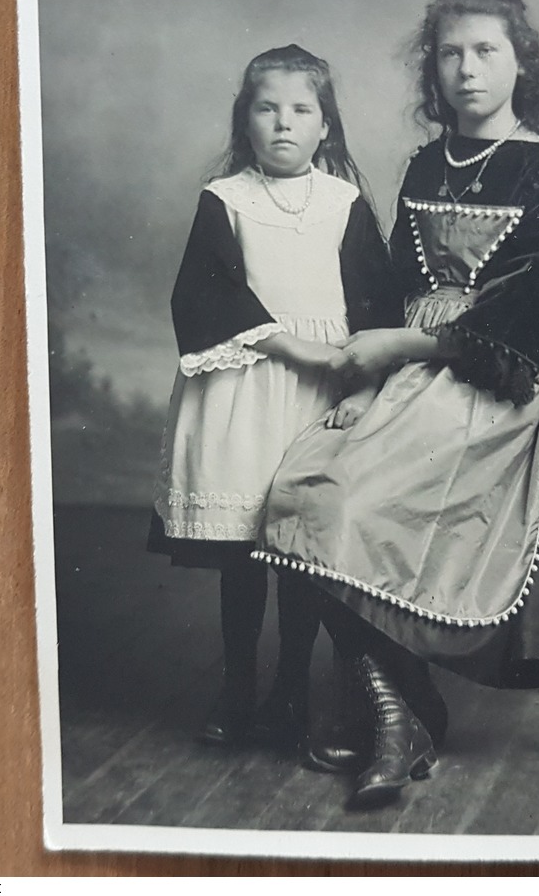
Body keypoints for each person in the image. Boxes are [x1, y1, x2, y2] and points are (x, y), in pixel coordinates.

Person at [255, 0, 539, 808]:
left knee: (357, 505)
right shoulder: (425, 161)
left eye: (485, 50)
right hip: (407, 370)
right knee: (301, 489)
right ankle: (400, 711)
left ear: (521, 62)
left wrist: (400, 349)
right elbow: (385, 290)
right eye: (450, 53)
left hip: (493, 381)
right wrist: (366, 375)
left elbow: (517, 325)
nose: (466, 69)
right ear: (432, 69)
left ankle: (392, 714)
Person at [148, 44, 395, 752]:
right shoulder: (226, 200)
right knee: (242, 555)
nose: (283, 124)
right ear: (244, 121)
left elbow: (378, 307)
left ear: (326, 126)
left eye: (300, 110)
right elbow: (205, 296)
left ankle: (292, 689)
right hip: (246, 386)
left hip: (318, 398)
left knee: (300, 551)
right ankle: (237, 686)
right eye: (267, 108)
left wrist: (361, 384)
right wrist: (292, 345)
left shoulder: (344, 204)